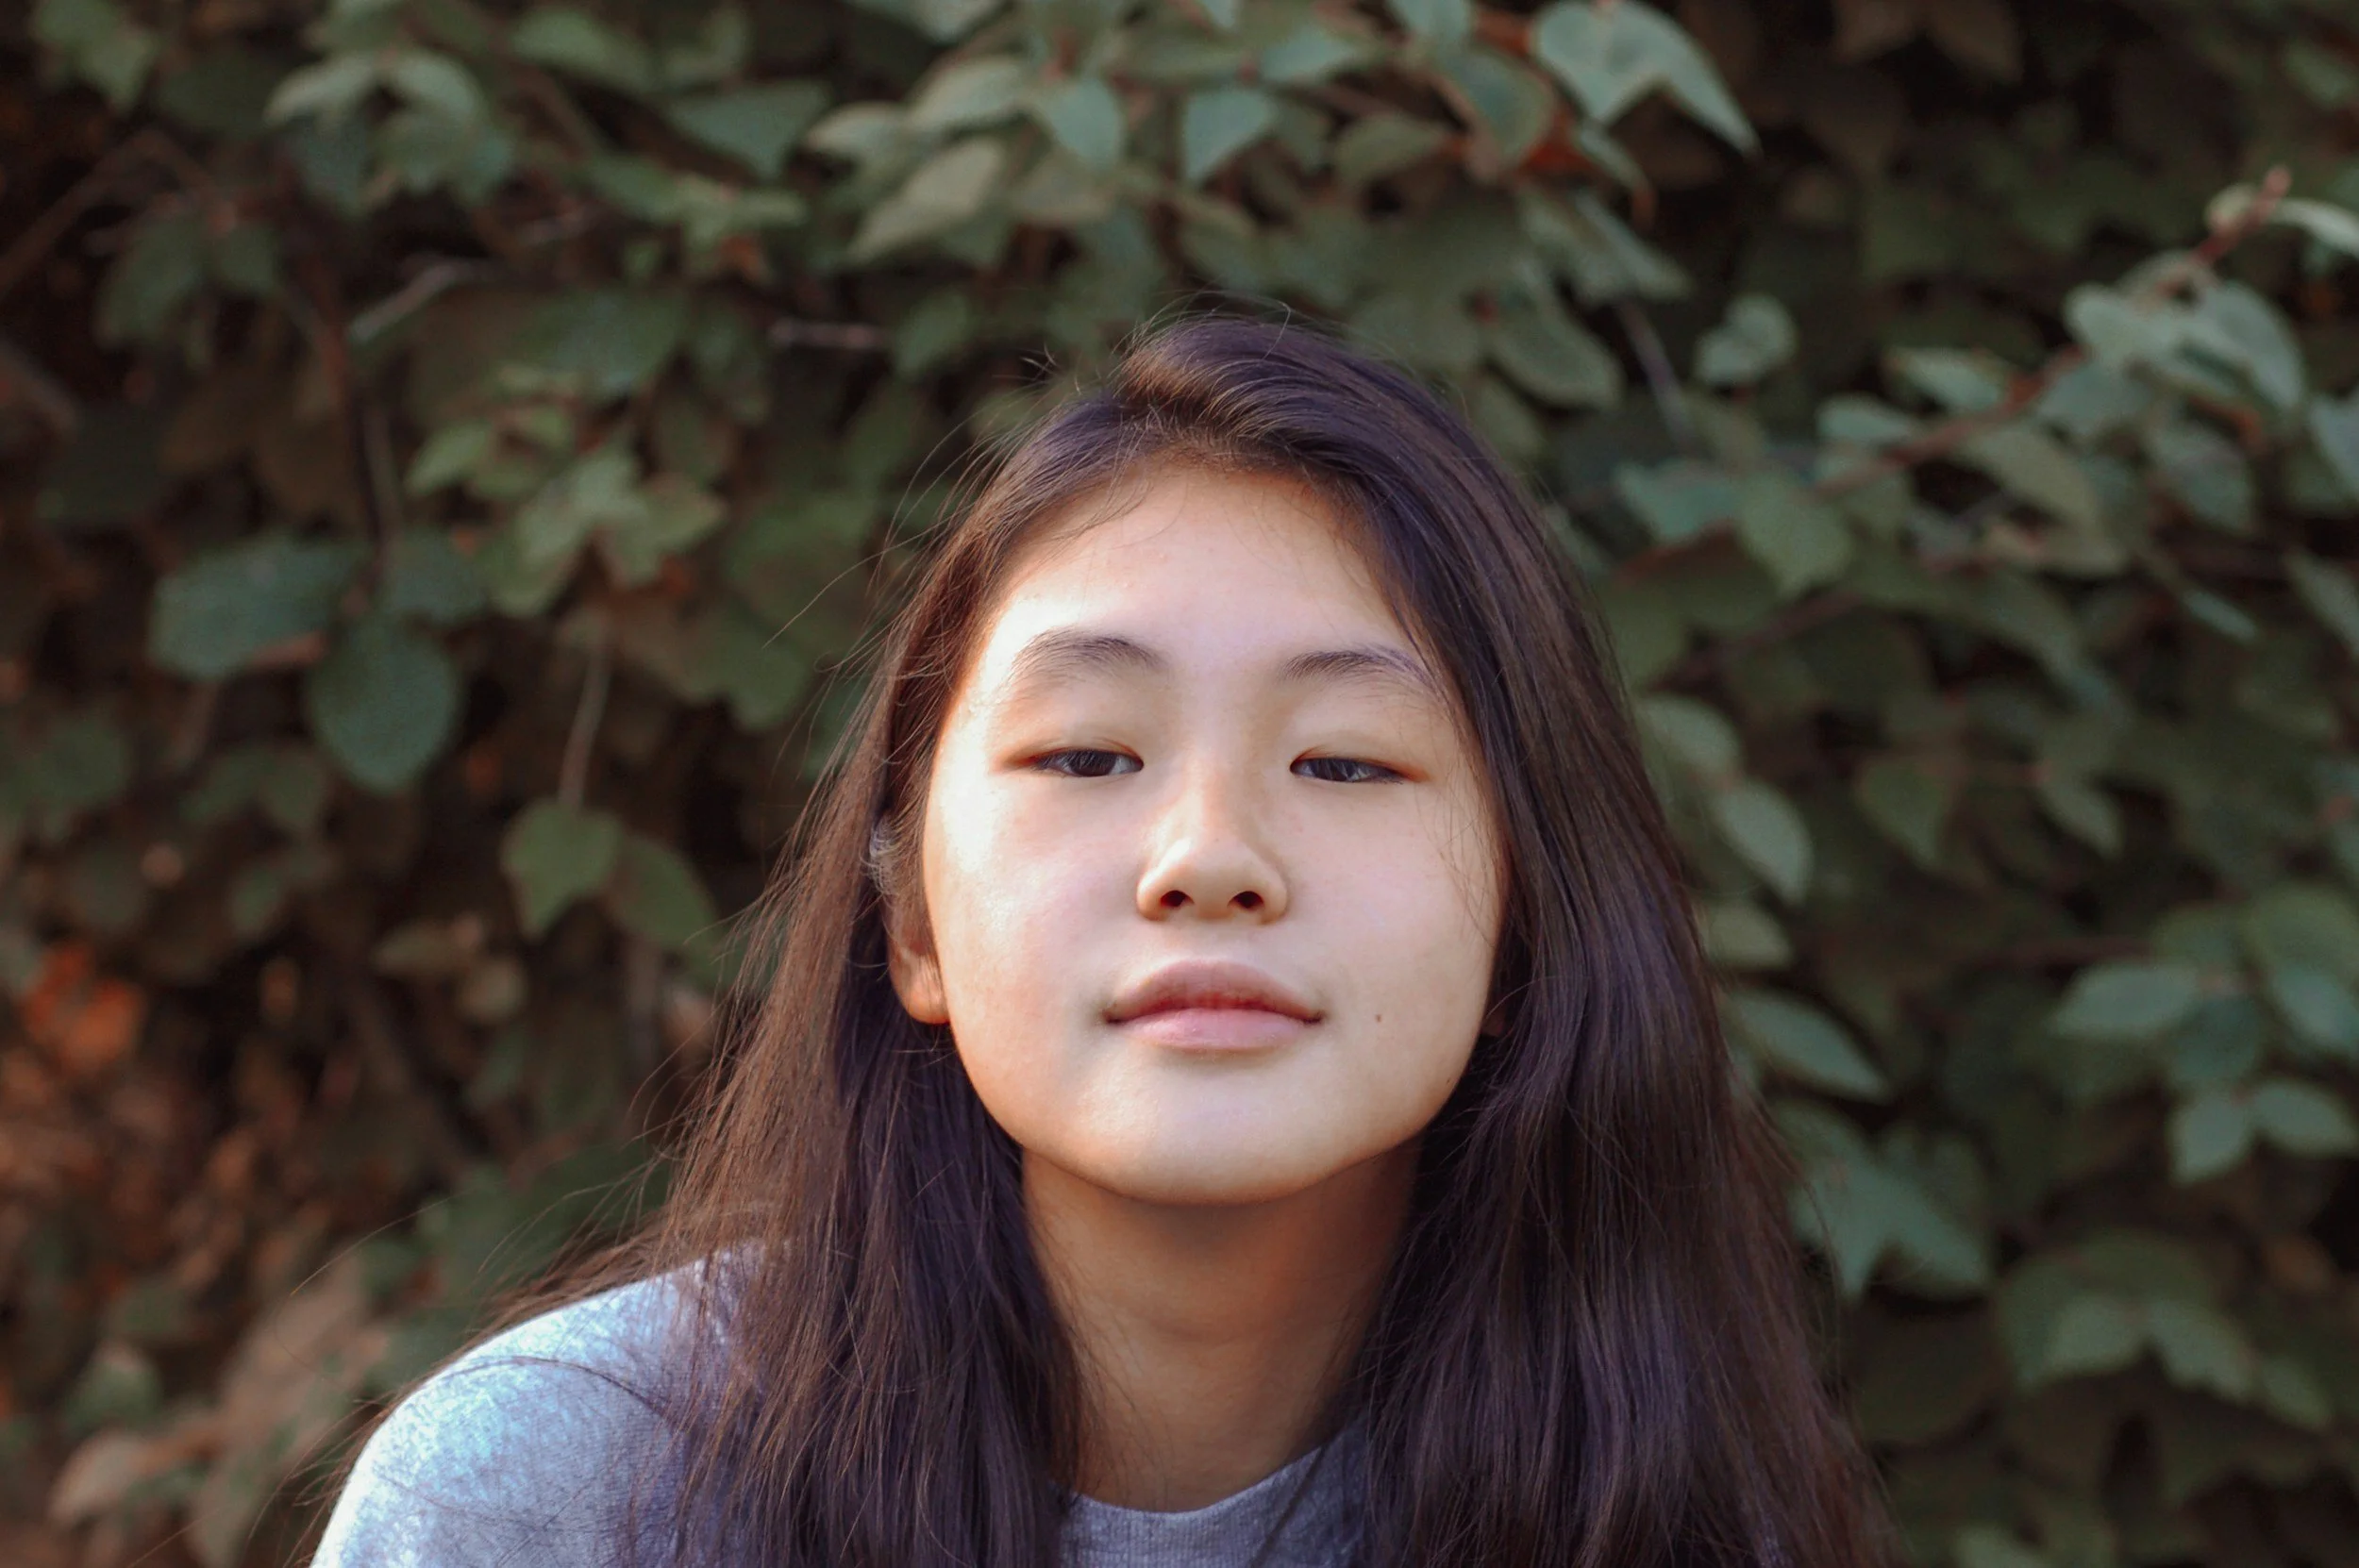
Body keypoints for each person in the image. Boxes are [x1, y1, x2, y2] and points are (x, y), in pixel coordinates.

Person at [310, 315, 1897, 1567]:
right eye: (1086, 757)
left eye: (1345, 761)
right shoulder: (557, 1503)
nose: (1209, 857)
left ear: (1530, 921)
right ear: (912, 920)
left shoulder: (1666, 1497)